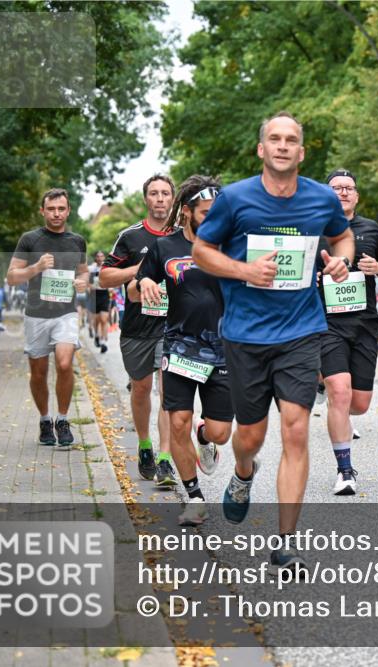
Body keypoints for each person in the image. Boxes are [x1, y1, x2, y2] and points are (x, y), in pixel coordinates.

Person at [193, 111, 353, 571]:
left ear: (301, 153)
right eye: (275, 139)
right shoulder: (235, 199)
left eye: (292, 141)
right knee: (250, 436)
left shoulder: (322, 199)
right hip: (245, 334)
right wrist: (244, 271)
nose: (283, 146)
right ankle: (244, 472)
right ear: (262, 149)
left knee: (296, 429)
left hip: (302, 330)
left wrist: (342, 261)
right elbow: (203, 251)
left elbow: (342, 238)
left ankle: (285, 543)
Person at [137, 175, 232, 526]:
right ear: (188, 211)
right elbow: (137, 286)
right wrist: (144, 281)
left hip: (224, 349)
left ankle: (206, 438)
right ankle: (194, 497)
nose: (214, 217)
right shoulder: (165, 247)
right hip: (178, 347)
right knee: (178, 421)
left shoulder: (231, 244)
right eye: (206, 212)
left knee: (221, 431)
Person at [317, 168, 378, 495]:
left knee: (359, 403)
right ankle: (345, 470)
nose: (343, 192)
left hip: (364, 323)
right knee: (339, 390)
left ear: (357, 195)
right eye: (336, 187)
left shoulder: (372, 229)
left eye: (349, 188)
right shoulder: (314, 229)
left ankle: (330, 396)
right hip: (326, 324)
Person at [101, 174, 176, 486]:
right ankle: (145, 444)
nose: (160, 199)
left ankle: (166, 458)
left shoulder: (184, 237)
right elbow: (104, 277)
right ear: (146, 199)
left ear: (173, 199)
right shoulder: (130, 237)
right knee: (142, 389)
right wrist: (142, 269)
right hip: (136, 328)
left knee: (169, 391)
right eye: (154, 194)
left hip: (173, 327)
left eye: (165, 193)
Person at [5, 189, 88, 447]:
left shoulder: (77, 241)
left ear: (68, 211)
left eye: (61, 209)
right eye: (51, 209)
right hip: (36, 315)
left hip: (65, 313)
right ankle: (44, 420)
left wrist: (82, 282)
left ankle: (62, 420)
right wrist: (36, 267)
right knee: (38, 372)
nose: (56, 213)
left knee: (64, 364)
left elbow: (84, 273)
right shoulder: (30, 240)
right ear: (43, 211)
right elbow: (11, 276)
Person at [89, 251, 110, 353]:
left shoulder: (107, 268)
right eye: (98, 256)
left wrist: (111, 288)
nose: (100, 258)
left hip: (105, 294)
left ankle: (103, 342)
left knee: (104, 319)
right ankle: (97, 335)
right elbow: (87, 282)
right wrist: (90, 287)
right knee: (97, 320)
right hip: (94, 295)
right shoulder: (92, 269)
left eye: (102, 256)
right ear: (95, 258)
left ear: (104, 257)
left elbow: (112, 281)